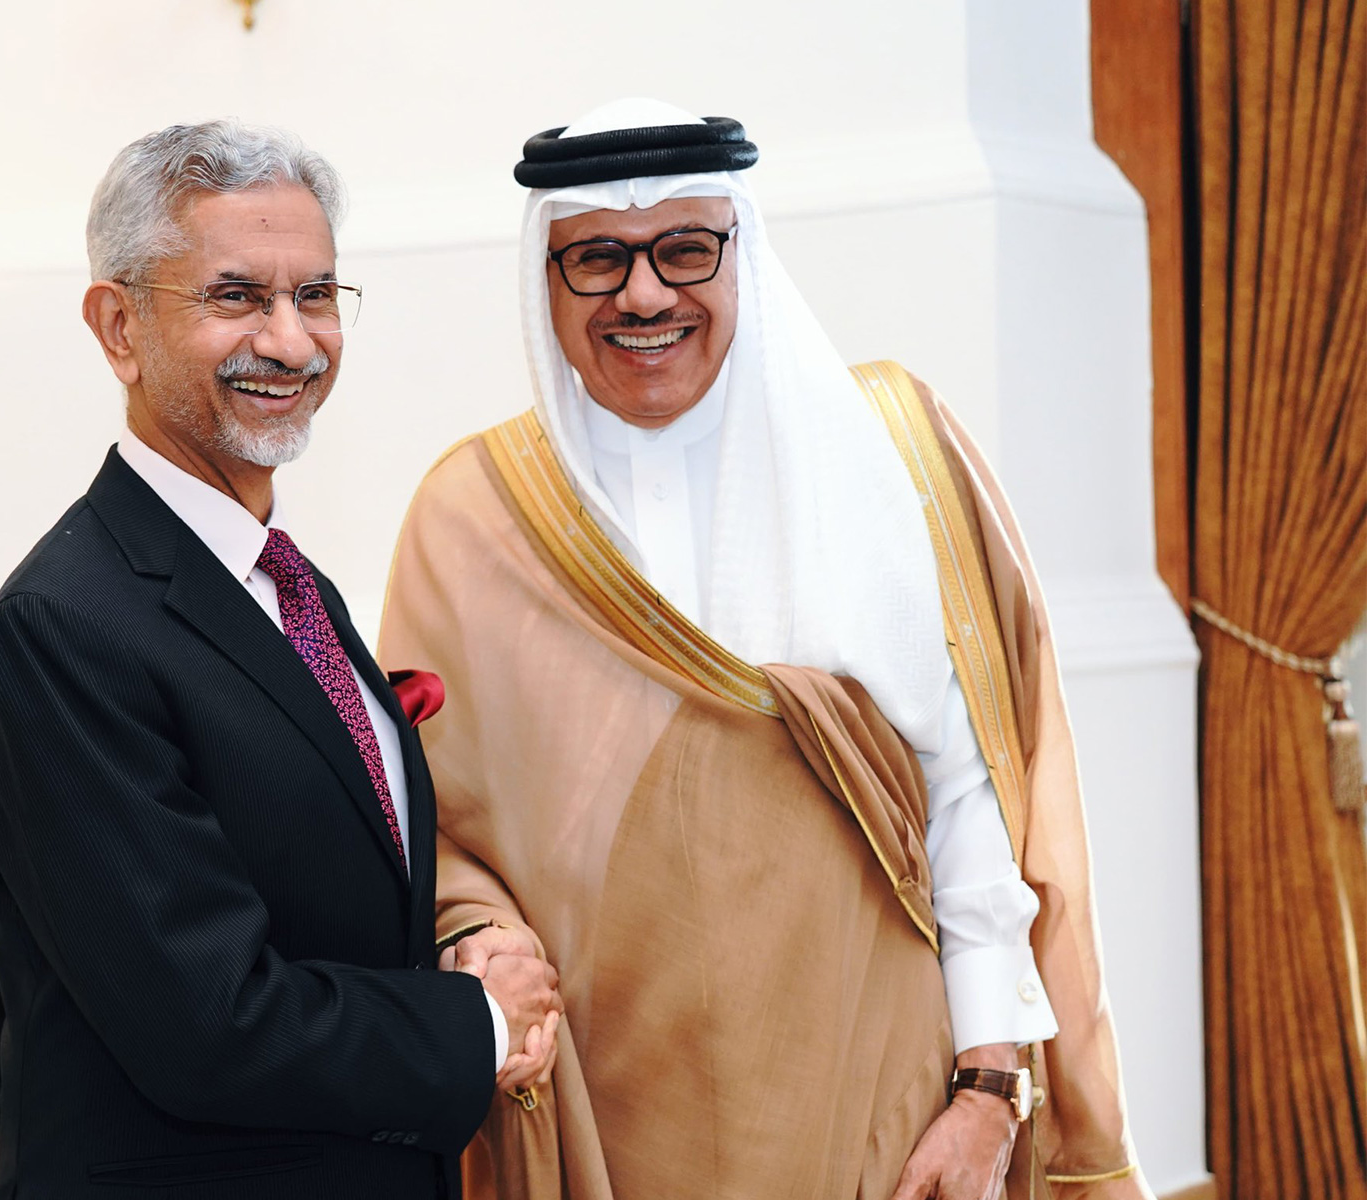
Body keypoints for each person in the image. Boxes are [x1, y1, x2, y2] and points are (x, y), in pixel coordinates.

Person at [380, 98, 1152, 1200]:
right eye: (596, 259)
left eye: (684, 249)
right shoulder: (472, 517)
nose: (643, 294)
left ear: (742, 250)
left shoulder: (890, 453)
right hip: (608, 1112)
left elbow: (973, 799)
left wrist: (988, 1090)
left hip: (877, 1093)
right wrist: (479, 940)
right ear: (544, 278)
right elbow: (423, 826)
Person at [0, 119, 561, 1200]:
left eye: (316, 295)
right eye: (236, 297)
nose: (290, 343)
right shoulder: (65, 625)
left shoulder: (291, 586)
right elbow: (205, 1022)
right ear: (118, 326)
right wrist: (476, 1020)